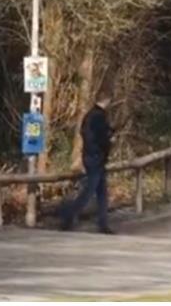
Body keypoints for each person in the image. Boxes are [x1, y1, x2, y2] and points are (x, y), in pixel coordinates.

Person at [59, 88, 115, 233]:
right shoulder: (99, 117)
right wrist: (109, 139)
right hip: (96, 158)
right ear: (107, 101)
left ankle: (103, 223)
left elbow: (86, 134)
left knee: (102, 192)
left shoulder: (89, 116)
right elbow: (100, 137)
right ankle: (69, 216)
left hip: (93, 157)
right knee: (89, 191)